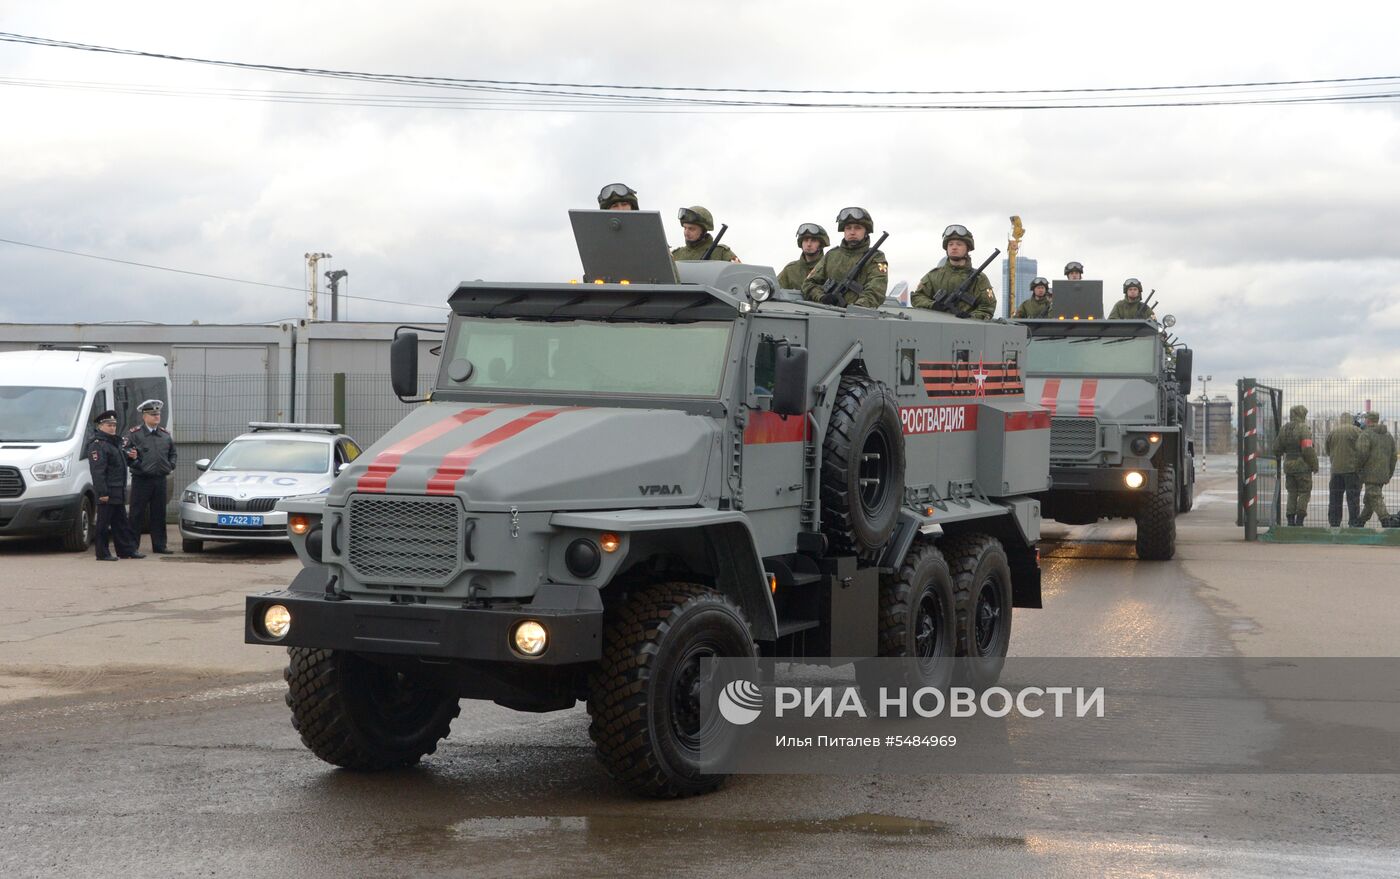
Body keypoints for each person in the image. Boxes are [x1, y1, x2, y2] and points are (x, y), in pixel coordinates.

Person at [801, 207, 888, 308]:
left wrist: (856, 308)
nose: (852, 232)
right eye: (848, 228)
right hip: (827, 314)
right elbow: (808, 284)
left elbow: (876, 290)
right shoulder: (831, 255)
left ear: (866, 231)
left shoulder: (876, 257)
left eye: (858, 228)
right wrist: (822, 297)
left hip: (858, 317)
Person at [911, 224, 996, 319]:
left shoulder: (980, 279)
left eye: (959, 244)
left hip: (967, 330)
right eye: (950, 244)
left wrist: (971, 317)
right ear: (946, 248)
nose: (954, 247)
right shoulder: (933, 276)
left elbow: (987, 307)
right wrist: (933, 305)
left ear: (967, 248)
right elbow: (916, 297)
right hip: (936, 326)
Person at [125, 399, 177, 554]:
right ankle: (132, 546)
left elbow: (173, 453)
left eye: (158, 414)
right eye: (153, 414)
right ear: (144, 416)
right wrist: (137, 465)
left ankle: (160, 545)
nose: (156, 417)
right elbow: (126, 453)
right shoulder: (135, 434)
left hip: (160, 479)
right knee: (136, 514)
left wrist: (169, 466)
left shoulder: (165, 435)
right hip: (142, 479)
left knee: (159, 513)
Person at [88, 410, 141, 561]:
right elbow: (98, 472)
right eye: (109, 425)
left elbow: (120, 464)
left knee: (121, 523)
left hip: (118, 489)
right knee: (103, 524)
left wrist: (131, 457)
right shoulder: (98, 445)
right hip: (108, 490)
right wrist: (102, 492)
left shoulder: (114, 443)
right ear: (100, 426)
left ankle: (126, 550)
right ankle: (102, 553)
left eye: (114, 425)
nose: (112, 428)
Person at [1272, 404, 1319, 526]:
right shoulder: (1303, 428)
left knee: (1292, 492)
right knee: (1304, 492)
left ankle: (1290, 520)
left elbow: (1276, 448)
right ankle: (1300, 520)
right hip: (1302, 466)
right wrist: (1314, 465)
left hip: (1288, 466)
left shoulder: (1284, 429)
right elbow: (1307, 449)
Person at [1356, 411, 1396, 526]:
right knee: (1370, 499)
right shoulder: (1388, 436)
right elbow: (1393, 457)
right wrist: (1389, 474)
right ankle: (1360, 522)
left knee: (1374, 497)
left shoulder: (1366, 435)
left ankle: (1386, 520)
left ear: (1368, 420)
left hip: (1369, 473)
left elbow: (1361, 454)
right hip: (1383, 473)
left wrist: (1357, 469)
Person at [1325, 411, 1364, 527]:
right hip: (1352, 470)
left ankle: (1334, 522)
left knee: (1335, 498)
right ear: (1351, 420)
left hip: (1336, 470)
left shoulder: (1333, 432)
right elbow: (1363, 448)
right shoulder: (1356, 431)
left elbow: (1327, 449)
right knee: (1352, 498)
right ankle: (1353, 522)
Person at [671, 206, 739, 262]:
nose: (686, 232)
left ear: (703, 231)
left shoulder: (721, 253)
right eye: (685, 228)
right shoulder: (675, 256)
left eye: (691, 229)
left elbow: (742, 274)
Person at [777, 223, 828, 290]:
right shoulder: (790, 270)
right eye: (806, 240)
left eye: (813, 241)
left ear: (821, 244)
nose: (809, 244)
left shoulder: (828, 268)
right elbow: (774, 290)